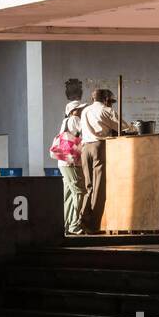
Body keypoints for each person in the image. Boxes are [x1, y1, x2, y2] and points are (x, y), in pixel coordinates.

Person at [78, 88, 132, 231]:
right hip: (99, 147)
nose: (111, 104)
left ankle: (83, 219)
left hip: (85, 149)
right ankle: (93, 225)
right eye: (111, 101)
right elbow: (125, 127)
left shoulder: (85, 111)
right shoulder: (107, 111)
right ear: (106, 99)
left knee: (89, 187)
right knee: (99, 188)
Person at [53, 79, 89, 235]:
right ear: (73, 111)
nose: (81, 111)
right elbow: (86, 136)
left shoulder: (65, 121)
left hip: (63, 162)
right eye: (79, 109)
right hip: (72, 162)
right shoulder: (75, 120)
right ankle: (75, 225)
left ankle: (67, 225)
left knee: (68, 193)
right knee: (79, 191)